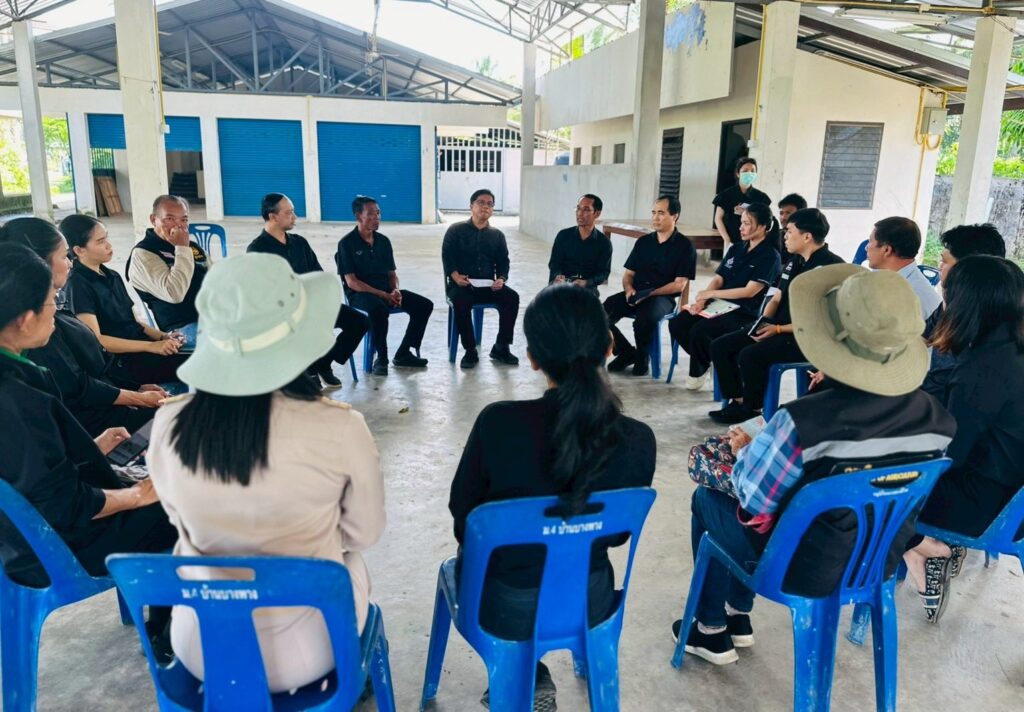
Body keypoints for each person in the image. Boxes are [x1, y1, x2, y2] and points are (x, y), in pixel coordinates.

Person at [672, 265, 955, 665]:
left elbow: (755, 498)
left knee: (708, 499)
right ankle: (736, 614)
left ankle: (711, 627)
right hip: (875, 561)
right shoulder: (937, 419)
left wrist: (747, 451)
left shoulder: (802, 422)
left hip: (802, 567)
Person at [146, 253, 385, 693]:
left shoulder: (170, 422)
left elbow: (176, 517)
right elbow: (363, 533)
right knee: (350, 561)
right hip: (306, 653)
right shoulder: (340, 426)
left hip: (202, 648)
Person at [449, 284, 656, 709]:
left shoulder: (498, 424)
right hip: (590, 599)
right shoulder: (638, 439)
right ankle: (543, 669)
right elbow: (617, 536)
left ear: (531, 357)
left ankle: (526, 672)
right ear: (609, 346)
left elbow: (464, 519)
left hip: (506, 606)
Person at [0, 243, 176, 653]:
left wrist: (90, 448)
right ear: (25, 319)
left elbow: (29, 469)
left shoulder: (18, 379)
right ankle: (168, 632)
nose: (57, 310)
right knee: (183, 502)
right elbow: (67, 507)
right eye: (51, 301)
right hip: (56, 547)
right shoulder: (18, 400)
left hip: (24, 537)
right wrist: (137, 495)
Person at [904, 256, 1024, 623]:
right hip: (1011, 495)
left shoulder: (982, 368)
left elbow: (949, 454)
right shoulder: (1009, 350)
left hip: (986, 507)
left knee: (872, 494)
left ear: (965, 304)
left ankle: (924, 552)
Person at [0, 218, 165, 436]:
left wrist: (135, 388)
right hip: (97, 419)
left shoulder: (59, 308)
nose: (70, 263)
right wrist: (138, 398)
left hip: (110, 400)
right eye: (64, 256)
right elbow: (79, 387)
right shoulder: (38, 331)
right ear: (39, 264)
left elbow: (94, 367)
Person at [707, 208, 844, 424]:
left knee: (750, 355)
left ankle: (752, 409)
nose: (785, 236)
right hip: (777, 327)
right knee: (721, 346)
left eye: (789, 231)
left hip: (805, 337)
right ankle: (739, 400)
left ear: (807, 236)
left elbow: (821, 321)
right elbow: (777, 298)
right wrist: (762, 322)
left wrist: (778, 329)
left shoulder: (832, 268)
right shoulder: (794, 261)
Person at [246, 193, 369, 387]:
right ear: (273, 217)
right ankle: (307, 371)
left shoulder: (299, 243)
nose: (295, 217)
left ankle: (323, 363)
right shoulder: (257, 249)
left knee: (359, 322)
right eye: (289, 213)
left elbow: (318, 275)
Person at [62, 214, 189, 386]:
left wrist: (162, 337)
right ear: (79, 250)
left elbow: (132, 322)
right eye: (100, 241)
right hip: (120, 363)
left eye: (107, 238)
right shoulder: (77, 285)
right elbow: (97, 340)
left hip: (141, 349)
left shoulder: (111, 275)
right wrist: (151, 347)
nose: (109, 245)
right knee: (200, 366)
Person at [667, 203, 781, 390]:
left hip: (742, 312)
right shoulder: (736, 248)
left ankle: (699, 369)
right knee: (679, 322)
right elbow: (719, 278)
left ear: (762, 227)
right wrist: (703, 300)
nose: (741, 227)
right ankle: (710, 360)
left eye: (746, 223)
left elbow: (750, 291)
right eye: (741, 222)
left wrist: (711, 293)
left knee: (700, 331)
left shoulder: (770, 256)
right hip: (718, 305)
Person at [336, 196, 433, 376]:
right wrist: (382, 294)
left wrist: (395, 290)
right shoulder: (346, 244)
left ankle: (404, 352)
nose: (376, 218)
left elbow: (391, 274)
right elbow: (352, 282)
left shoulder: (383, 241)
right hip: (360, 294)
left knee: (424, 305)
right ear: (358, 216)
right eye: (370, 214)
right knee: (378, 309)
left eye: (378, 213)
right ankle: (381, 358)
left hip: (386, 291)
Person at [603, 195, 697, 377]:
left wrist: (651, 293)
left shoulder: (685, 247)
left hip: (663, 297)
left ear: (675, 216)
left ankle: (642, 356)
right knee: (601, 313)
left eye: (661, 213)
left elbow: (679, 285)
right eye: (653, 213)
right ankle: (626, 351)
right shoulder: (643, 242)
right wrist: (629, 289)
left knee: (645, 319)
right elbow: (628, 274)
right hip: (636, 292)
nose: (655, 217)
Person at [920, 223, 1006, 400]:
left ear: (967, 268)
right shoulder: (951, 303)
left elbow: (943, 383)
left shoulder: (983, 320)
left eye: (945, 261)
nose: (939, 266)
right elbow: (923, 335)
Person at [442, 189, 520, 368]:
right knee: (461, 302)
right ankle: (470, 350)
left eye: (490, 204)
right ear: (471, 206)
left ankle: (501, 346)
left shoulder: (497, 235)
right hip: (461, 285)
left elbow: (503, 262)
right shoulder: (455, 230)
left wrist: (501, 279)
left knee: (511, 298)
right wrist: (455, 277)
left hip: (488, 286)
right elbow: (447, 257)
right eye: (481, 202)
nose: (485, 207)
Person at [126, 195, 208, 331]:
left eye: (184, 220)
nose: (178, 225)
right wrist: (182, 248)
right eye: (170, 219)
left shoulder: (192, 247)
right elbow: (174, 294)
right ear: (154, 220)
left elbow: (216, 278)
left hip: (211, 317)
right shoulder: (144, 253)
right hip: (183, 327)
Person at [864, 216, 941, 320]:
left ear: (886, 250)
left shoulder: (914, 299)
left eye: (870, 241)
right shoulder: (881, 276)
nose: (866, 247)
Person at [547, 194, 612, 294]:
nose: (580, 213)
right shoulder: (563, 235)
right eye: (578, 208)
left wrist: (587, 282)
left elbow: (603, 273)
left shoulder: (604, 243)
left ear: (597, 214)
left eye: (586, 209)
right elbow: (554, 263)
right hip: (561, 284)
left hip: (587, 288)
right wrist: (557, 276)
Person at [713, 157, 772, 248]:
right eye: (745, 171)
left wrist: (747, 213)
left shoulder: (761, 197)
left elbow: (765, 220)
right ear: (738, 173)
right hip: (732, 239)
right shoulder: (726, 195)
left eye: (752, 171)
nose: (749, 174)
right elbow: (718, 218)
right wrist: (726, 238)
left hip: (753, 242)